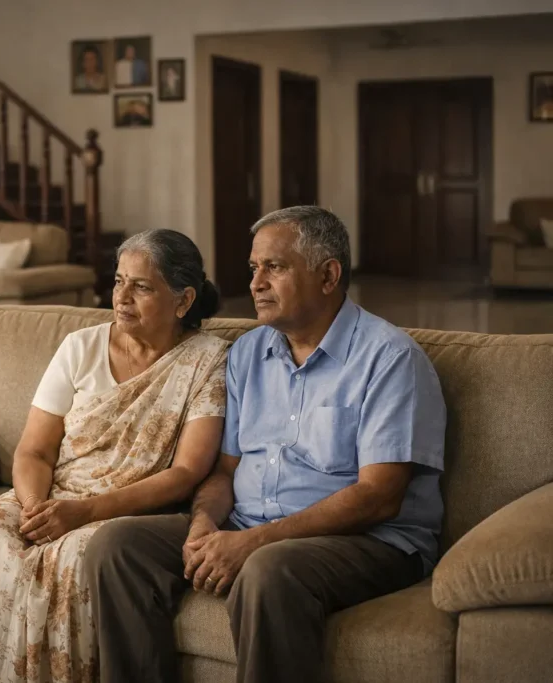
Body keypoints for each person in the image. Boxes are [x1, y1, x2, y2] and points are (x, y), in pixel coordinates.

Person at [85, 206, 446, 683]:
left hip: (370, 540)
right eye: (254, 268)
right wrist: (203, 523)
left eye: (274, 267)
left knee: (267, 568)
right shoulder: (247, 354)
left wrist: (255, 542)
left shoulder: (390, 358)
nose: (256, 283)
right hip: (247, 523)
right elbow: (225, 470)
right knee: (117, 546)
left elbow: (378, 496)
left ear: (328, 275)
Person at [0, 229, 229, 683]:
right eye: (118, 281)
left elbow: (186, 472)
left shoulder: (209, 361)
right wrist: (35, 508)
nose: (122, 297)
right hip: (53, 494)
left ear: (184, 299)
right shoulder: (80, 347)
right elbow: (34, 450)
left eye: (141, 286)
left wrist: (83, 513)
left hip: (127, 510)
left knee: (75, 558)